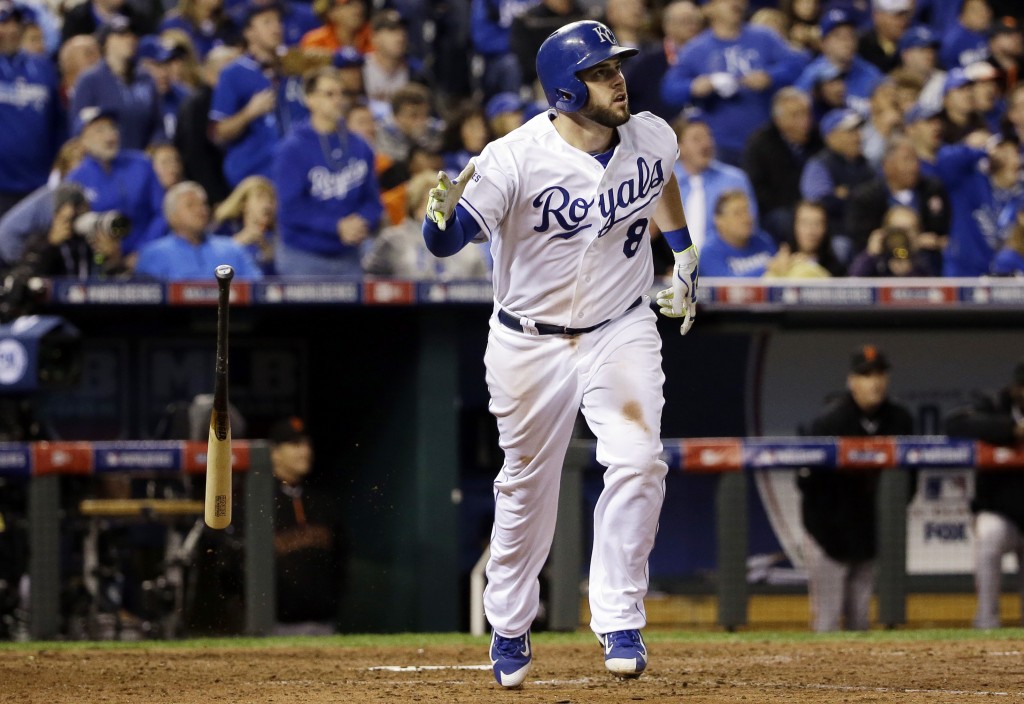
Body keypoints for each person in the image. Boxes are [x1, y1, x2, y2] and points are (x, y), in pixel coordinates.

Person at [421, 21, 698, 686]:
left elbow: (659, 180)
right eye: (601, 72)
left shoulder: (651, 134)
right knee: (526, 489)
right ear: (567, 91)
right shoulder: (514, 158)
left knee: (638, 459)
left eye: (616, 67)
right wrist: (437, 223)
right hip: (529, 342)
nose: (617, 79)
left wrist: (683, 251)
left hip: (619, 329)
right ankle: (510, 628)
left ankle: (620, 617)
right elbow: (453, 237)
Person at [797, 345, 914, 632]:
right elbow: (808, 485)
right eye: (865, 375)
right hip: (829, 532)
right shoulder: (830, 421)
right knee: (826, 623)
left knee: (861, 623)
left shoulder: (900, 420)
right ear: (852, 381)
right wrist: (826, 531)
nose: (874, 381)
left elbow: (909, 482)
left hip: (871, 533)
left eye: (879, 374)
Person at [661, 0, 807, 166]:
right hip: (720, 147)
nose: (736, 2)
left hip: (767, 143)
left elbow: (798, 63)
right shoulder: (696, 49)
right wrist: (695, 86)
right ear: (708, 9)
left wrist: (770, 77)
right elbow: (669, 89)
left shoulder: (764, 37)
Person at [272, 66, 382, 276]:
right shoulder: (293, 148)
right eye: (329, 94)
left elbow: (373, 202)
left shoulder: (360, 146)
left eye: (341, 93)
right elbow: (290, 209)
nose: (337, 99)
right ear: (309, 99)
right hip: (303, 257)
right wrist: (337, 225)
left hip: (350, 255)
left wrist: (360, 222)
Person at [945, 361, 1024, 629]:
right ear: (1016, 389)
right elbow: (954, 424)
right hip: (1001, 512)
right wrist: (1012, 431)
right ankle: (986, 622)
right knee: (989, 535)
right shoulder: (994, 403)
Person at [210, 0, 306, 187]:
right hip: (256, 175)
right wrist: (249, 113)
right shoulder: (233, 73)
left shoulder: (295, 68)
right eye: (267, 22)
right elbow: (218, 133)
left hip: (300, 170)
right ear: (249, 32)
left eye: (278, 21)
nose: (276, 27)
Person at [267, 417, 347, 636]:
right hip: (276, 626)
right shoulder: (259, 503)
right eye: (295, 445)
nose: (304, 451)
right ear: (274, 452)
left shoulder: (323, 502)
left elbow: (341, 559)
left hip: (324, 622)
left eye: (306, 444)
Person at [66, 106, 165, 261]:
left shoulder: (142, 165)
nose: (109, 135)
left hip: (147, 257)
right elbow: (73, 225)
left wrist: (142, 252)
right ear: (83, 140)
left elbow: (161, 212)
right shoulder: (75, 179)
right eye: (99, 130)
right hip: (98, 261)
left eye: (112, 128)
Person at [845, 135, 950, 264]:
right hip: (882, 265)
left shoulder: (932, 190)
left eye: (916, 160)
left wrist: (938, 242)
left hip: (926, 264)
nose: (914, 167)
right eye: (906, 160)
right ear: (887, 165)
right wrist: (910, 244)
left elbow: (944, 233)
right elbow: (862, 243)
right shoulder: (866, 198)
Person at [363, 170, 489, 279]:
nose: (438, 208)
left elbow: (482, 287)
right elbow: (371, 284)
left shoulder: (467, 242)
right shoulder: (392, 239)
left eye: (443, 202)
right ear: (415, 206)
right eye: (430, 202)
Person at [0, 0, 62, 219]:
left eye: (14, 23)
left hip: (38, 183)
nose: (11, 30)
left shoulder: (43, 67)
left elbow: (58, 122)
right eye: (3, 24)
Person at [134, 181, 263, 280]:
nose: (201, 210)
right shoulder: (153, 255)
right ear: (171, 216)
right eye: (191, 205)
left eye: (203, 204)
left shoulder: (233, 249)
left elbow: (257, 290)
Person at [936, 130, 1022, 276]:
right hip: (963, 273)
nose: (1011, 159)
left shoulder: (1020, 197)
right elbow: (944, 161)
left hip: (1003, 277)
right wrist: (982, 151)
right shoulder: (968, 182)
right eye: (1004, 152)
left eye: (1014, 152)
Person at [70, 15, 163, 151]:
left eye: (132, 35)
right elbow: (78, 129)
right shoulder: (89, 81)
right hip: (105, 164)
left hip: (141, 163)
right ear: (106, 42)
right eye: (121, 35)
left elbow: (157, 125)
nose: (130, 39)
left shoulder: (146, 78)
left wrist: (154, 150)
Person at [743, 87, 823, 243]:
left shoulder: (818, 139)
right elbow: (756, 189)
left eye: (806, 113)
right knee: (786, 221)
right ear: (779, 120)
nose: (805, 121)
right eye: (796, 115)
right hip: (778, 209)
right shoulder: (759, 144)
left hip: (813, 207)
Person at [673, 110, 758, 250]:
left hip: (724, 261)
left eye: (708, 136)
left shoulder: (734, 180)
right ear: (679, 146)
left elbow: (749, 227)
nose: (706, 144)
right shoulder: (663, 182)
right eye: (697, 139)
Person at [175, 44, 240, 206]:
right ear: (210, 74)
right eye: (227, 72)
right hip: (212, 197)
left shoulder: (235, 102)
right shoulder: (198, 104)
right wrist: (214, 197)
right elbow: (194, 154)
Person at [699, 189, 779, 276]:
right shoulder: (709, 253)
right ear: (719, 221)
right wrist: (768, 268)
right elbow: (726, 285)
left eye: (747, 211)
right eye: (737, 213)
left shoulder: (763, 241)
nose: (746, 219)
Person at [212, 175, 278, 274]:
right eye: (260, 198)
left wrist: (268, 255)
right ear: (244, 204)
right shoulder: (224, 230)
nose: (267, 204)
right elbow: (210, 262)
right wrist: (236, 242)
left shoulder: (279, 237)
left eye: (271, 200)